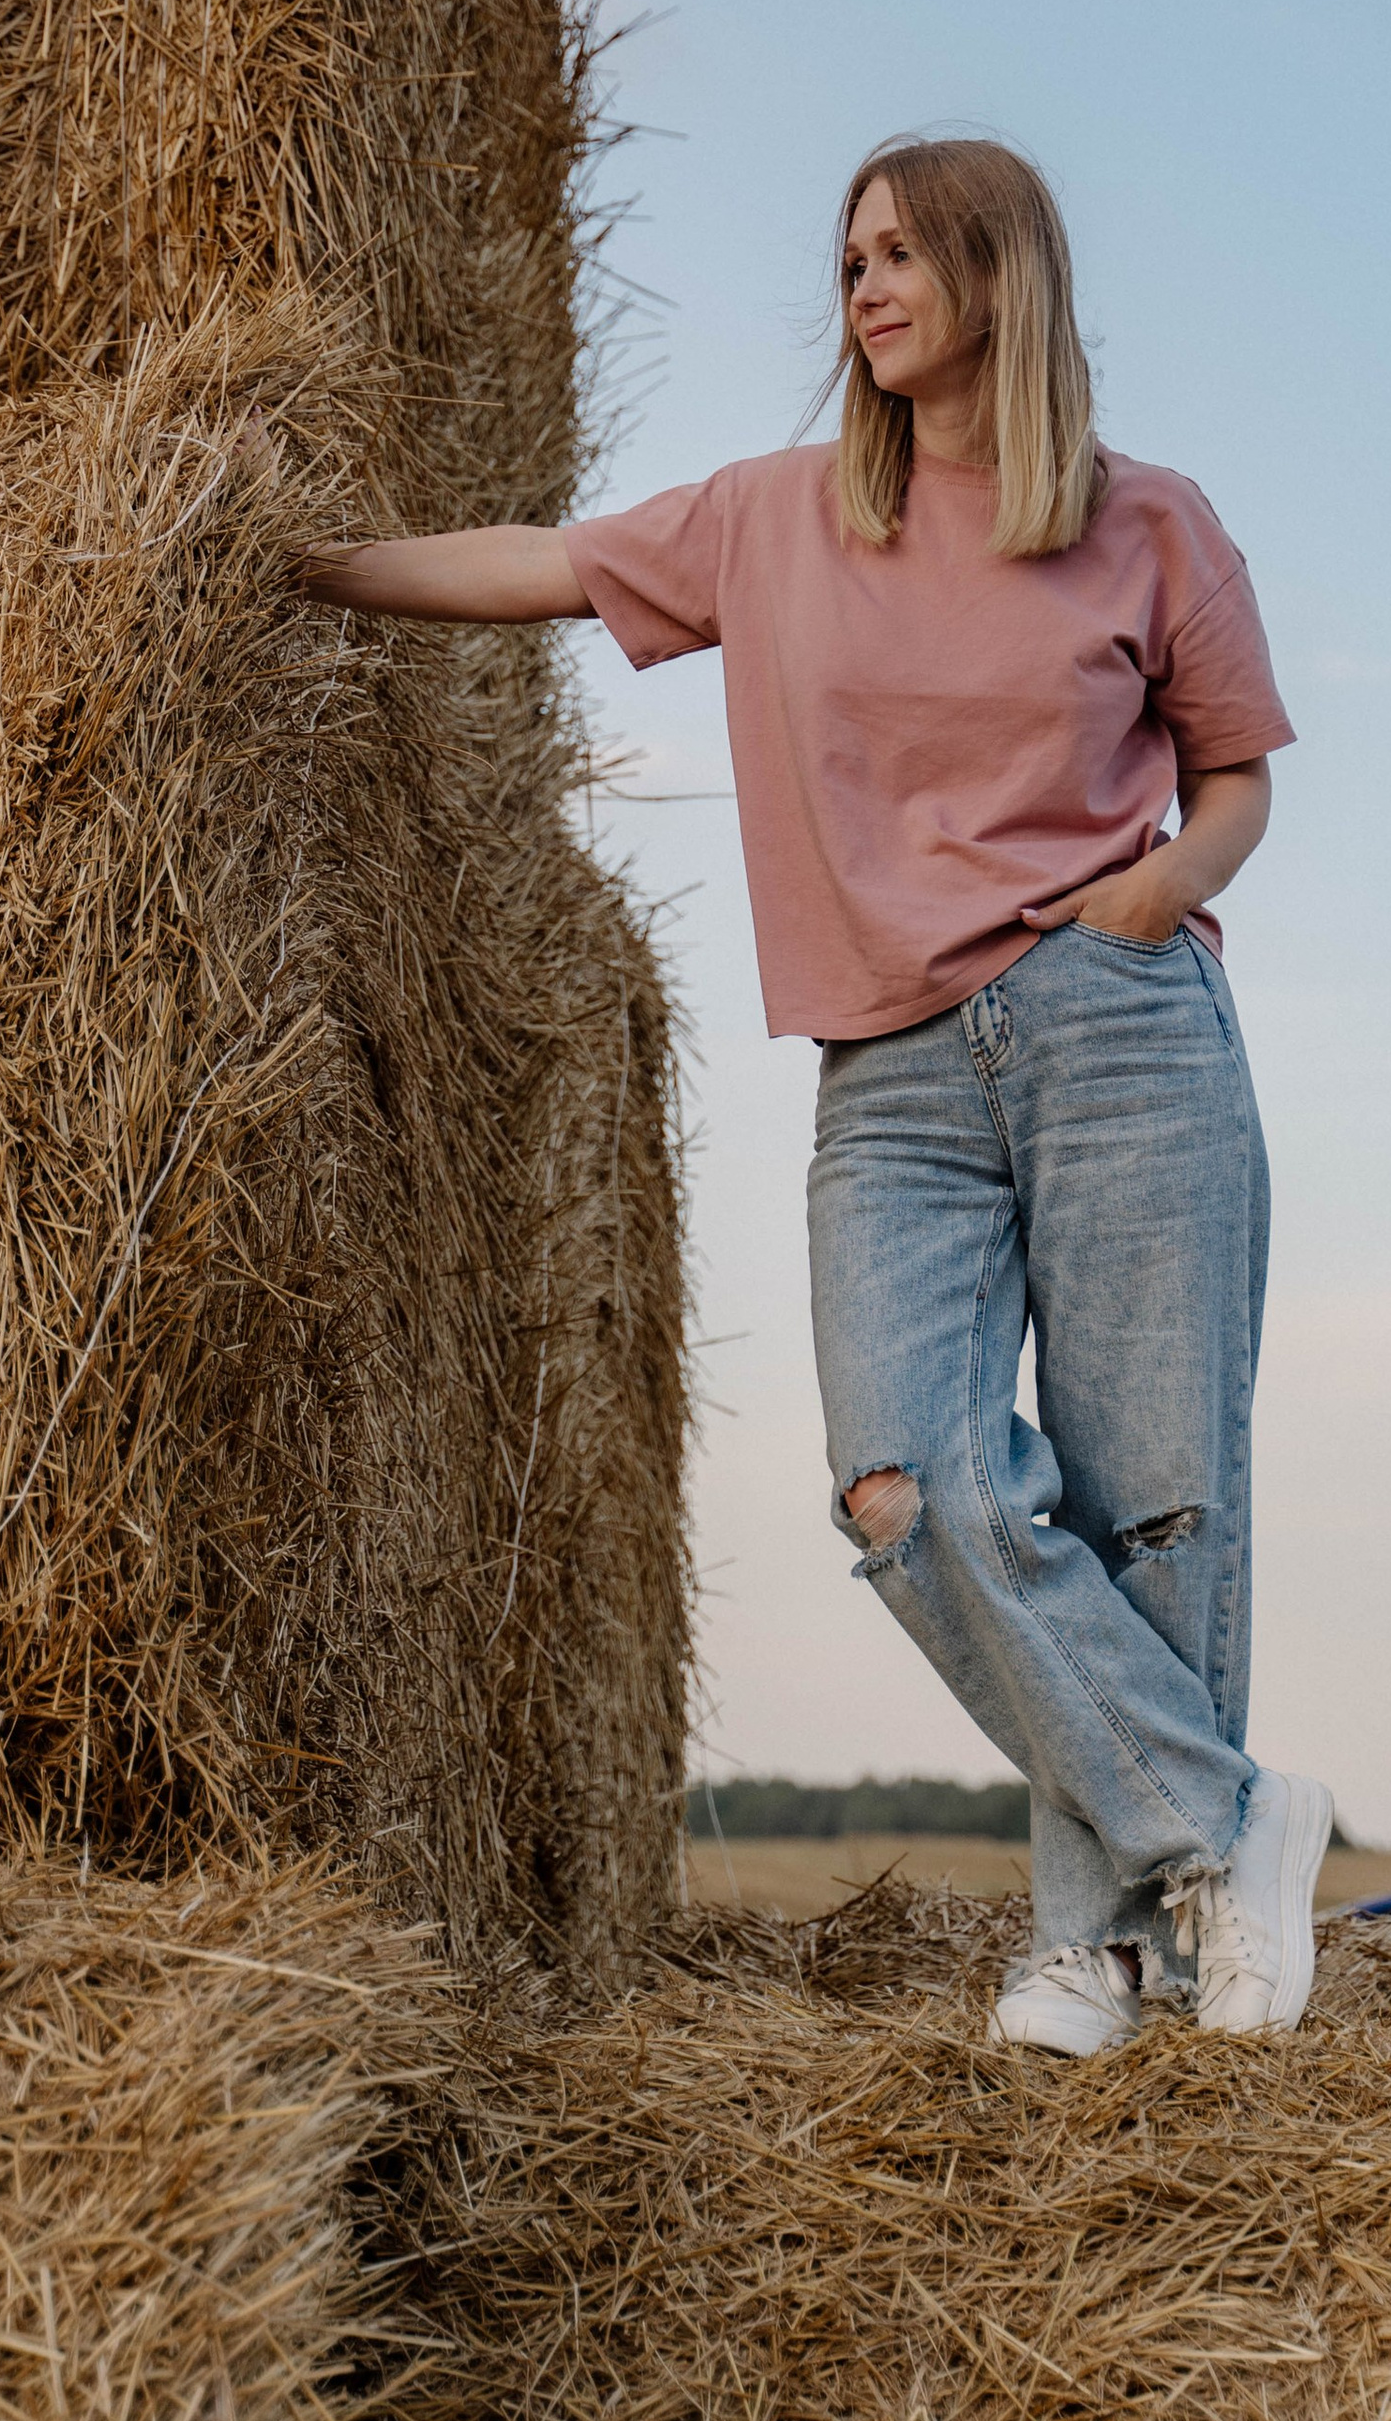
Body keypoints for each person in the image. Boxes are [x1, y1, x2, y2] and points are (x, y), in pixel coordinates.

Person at [303, 131, 1331, 2053]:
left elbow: (1242, 777)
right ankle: (1227, 1822)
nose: (861, 289)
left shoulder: (1150, 521)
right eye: (849, 258)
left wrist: (1152, 896)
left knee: (1151, 1498)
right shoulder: (776, 516)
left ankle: (1096, 1944)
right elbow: (545, 564)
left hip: (1119, 1033)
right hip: (896, 1070)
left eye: (899, 256)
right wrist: (311, 561)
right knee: (906, 1483)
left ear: (998, 281)